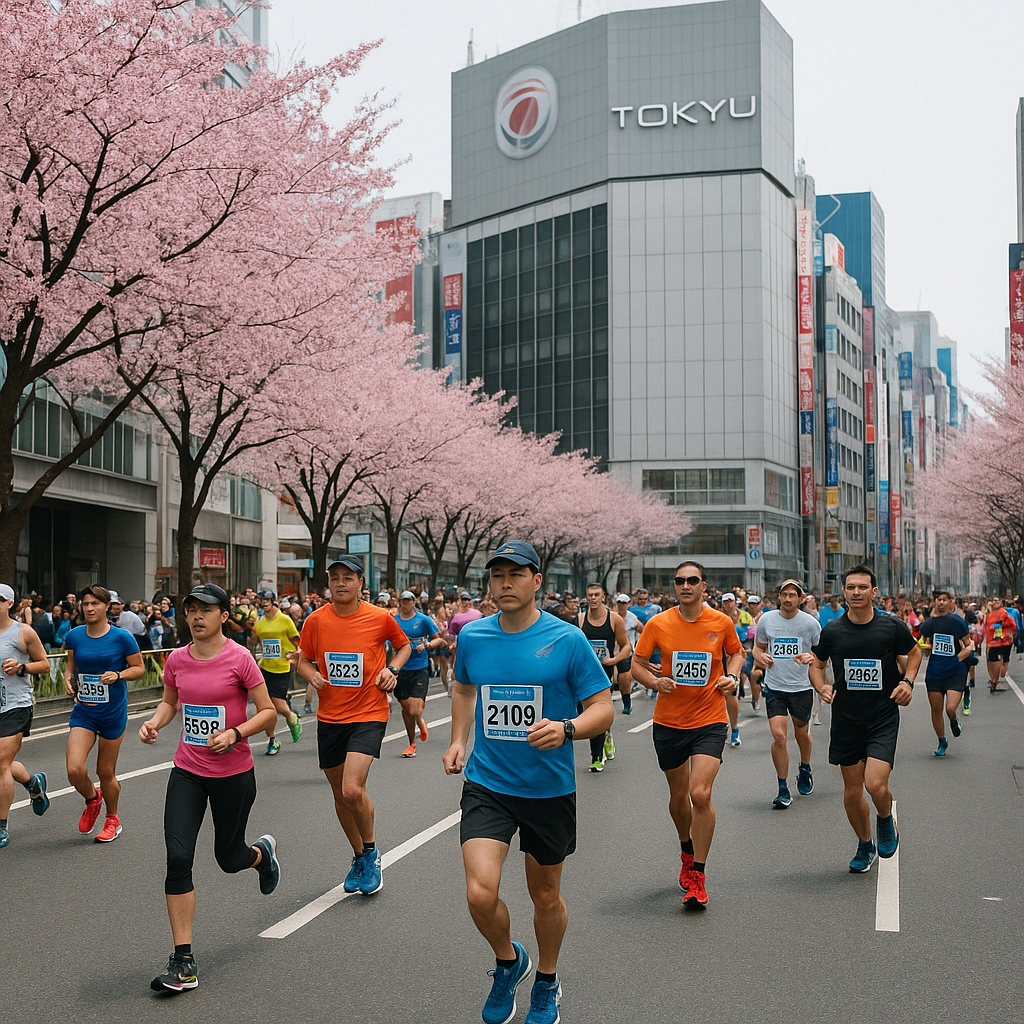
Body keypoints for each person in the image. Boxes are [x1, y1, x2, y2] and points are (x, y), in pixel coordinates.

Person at [443, 540, 613, 1024]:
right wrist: (459, 740)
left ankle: (547, 980)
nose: (505, 584)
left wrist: (567, 730)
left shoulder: (567, 639)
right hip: (488, 783)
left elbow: (602, 709)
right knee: (480, 892)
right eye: (497, 576)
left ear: (537, 581)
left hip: (548, 789)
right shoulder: (474, 636)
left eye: (516, 575)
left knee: (545, 897)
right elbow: (462, 686)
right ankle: (508, 961)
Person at [139, 583, 280, 993]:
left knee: (229, 858)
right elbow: (170, 702)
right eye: (191, 610)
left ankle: (261, 855)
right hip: (188, 772)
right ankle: (183, 960)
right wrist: (155, 722)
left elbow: (268, 711)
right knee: (178, 856)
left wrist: (235, 733)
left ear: (223, 615)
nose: (198, 616)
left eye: (206, 609)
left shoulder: (240, 658)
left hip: (233, 775)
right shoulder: (177, 659)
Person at [631, 561, 743, 910]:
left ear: (703, 586)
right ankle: (685, 846)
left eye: (692, 580)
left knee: (700, 793)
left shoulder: (720, 622)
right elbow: (637, 664)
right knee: (679, 795)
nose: (685, 585)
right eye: (679, 581)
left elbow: (736, 652)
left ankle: (698, 873)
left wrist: (733, 677)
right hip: (669, 723)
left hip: (709, 720)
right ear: (675, 586)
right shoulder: (659, 623)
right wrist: (654, 681)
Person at [296, 556, 411, 896]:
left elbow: (403, 646)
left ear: (361, 583)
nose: (341, 583)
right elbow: (303, 660)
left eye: (348, 577)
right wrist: (312, 674)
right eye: (335, 578)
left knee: (351, 789)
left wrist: (392, 670)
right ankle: (359, 856)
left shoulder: (378, 618)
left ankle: (373, 853)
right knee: (339, 794)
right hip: (330, 717)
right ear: (328, 584)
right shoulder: (316, 621)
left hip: (369, 713)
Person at [809, 566, 920, 873]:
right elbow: (816, 666)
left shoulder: (890, 626)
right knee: (852, 791)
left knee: (875, 784)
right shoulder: (832, 632)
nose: (855, 592)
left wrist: (907, 682)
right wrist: (822, 686)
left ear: (874, 592)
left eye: (862, 587)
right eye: (850, 587)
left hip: (882, 716)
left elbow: (914, 654)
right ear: (843, 592)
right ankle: (864, 843)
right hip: (846, 719)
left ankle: (885, 820)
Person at [63, 585, 145, 843]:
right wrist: (67, 679)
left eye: (94, 604)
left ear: (106, 606)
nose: (88, 608)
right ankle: (92, 799)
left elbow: (139, 668)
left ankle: (113, 818)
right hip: (84, 711)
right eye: (85, 603)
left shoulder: (122, 638)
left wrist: (118, 674)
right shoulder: (75, 635)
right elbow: (71, 666)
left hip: (112, 713)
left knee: (105, 772)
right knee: (75, 770)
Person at [753, 579, 821, 809]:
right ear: (779, 597)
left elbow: (821, 655)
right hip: (775, 687)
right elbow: (758, 647)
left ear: (801, 598)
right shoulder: (767, 619)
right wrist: (759, 657)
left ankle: (805, 766)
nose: (788, 599)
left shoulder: (810, 624)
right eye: (784, 594)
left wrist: (810, 658)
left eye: (793, 595)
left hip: (801, 688)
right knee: (779, 736)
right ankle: (782, 788)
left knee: (802, 734)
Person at [0, 584, 52, 848]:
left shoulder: (23, 632)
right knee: (5, 765)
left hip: (16, 706)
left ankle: (1, 827)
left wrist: (21, 668)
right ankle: (34, 783)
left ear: (10, 603)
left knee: (0, 762)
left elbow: (44, 664)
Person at [576, 583, 631, 772]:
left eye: (596, 594)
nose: (592, 598)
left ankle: (597, 758)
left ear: (603, 597)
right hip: (584, 673)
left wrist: (613, 659)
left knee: (596, 713)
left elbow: (626, 647)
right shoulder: (580, 619)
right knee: (583, 712)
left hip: (604, 673)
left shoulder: (614, 619)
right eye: (589, 594)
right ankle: (606, 734)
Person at [918, 589, 974, 755]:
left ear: (951, 602)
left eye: (944, 600)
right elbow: (927, 645)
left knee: (950, 708)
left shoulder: (957, 621)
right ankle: (942, 741)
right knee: (936, 710)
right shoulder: (929, 625)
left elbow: (969, 644)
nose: (941, 602)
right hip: (935, 672)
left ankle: (954, 718)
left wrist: (958, 658)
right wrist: (926, 649)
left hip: (955, 671)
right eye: (938, 600)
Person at [393, 591, 445, 758]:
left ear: (414, 602)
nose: (406, 604)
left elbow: (439, 640)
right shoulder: (394, 621)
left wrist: (428, 645)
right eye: (403, 601)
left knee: (415, 709)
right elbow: (385, 643)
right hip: (401, 669)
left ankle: (420, 722)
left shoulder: (423, 620)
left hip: (419, 668)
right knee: (406, 709)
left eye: (409, 601)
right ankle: (411, 743)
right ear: (400, 602)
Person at [251, 589, 302, 756]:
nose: (264, 603)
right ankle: (273, 740)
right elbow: (256, 644)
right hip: (265, 667)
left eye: (266, 600)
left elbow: (298, 643)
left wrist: (294, 655)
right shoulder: (259, 623)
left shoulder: (285, 620)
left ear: (273, 601)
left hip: (282, 667)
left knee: (278, 703)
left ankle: (291, 716)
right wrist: (255, 658)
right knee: (266, 708)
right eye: (261, 600)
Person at [614, 594, 641, 714]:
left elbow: (643, 630)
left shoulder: (632, 618)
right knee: (612, 680)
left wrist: (639, 647)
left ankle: (627, 703)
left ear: (628, 604)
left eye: (624, 603)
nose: (621, 606)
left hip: (626, 651)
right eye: (619, 603)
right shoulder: (611, 616)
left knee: (624, 678)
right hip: (611, 651)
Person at [983, 597, 1015, 693]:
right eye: (994, 601)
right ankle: (994, 681)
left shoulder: (1004, 613)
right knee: (992, 661)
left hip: (1003, 641)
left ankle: (995, 681)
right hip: (992, 642)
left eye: (997, 601)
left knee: (999, 661)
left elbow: (1013, 625)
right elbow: (986, 626)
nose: (995, 602)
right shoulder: (990, 615)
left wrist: (1009, 633)